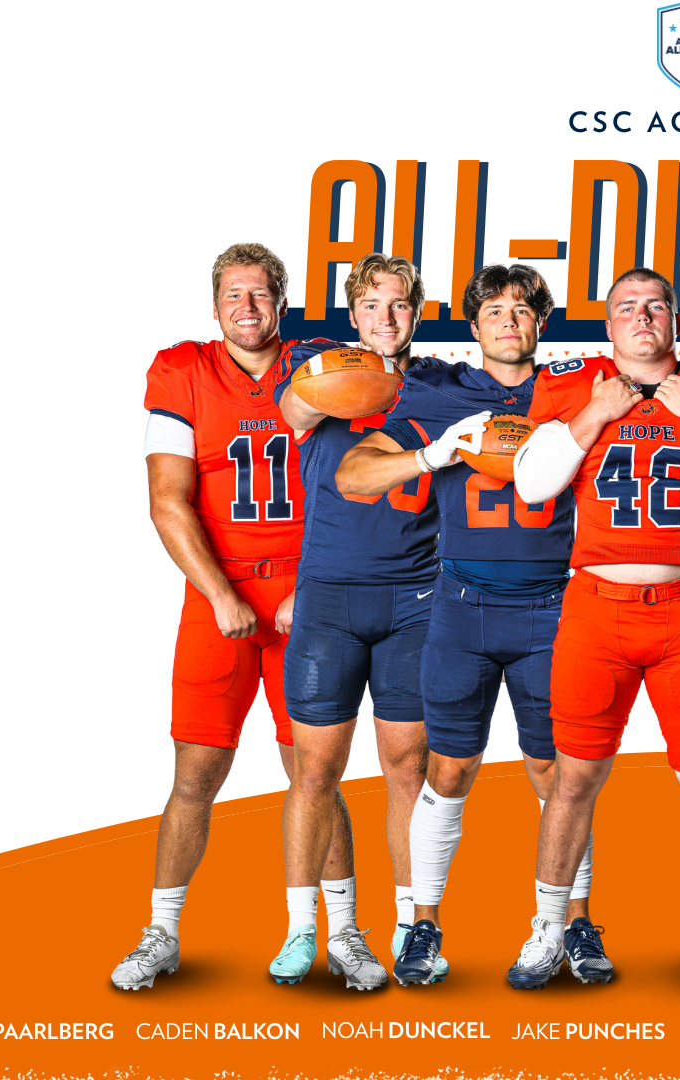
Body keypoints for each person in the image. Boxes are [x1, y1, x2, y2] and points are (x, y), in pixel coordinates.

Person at [335, 264, 602, 986]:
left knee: (558, 774)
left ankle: (571, 922)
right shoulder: (437, 390)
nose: (509, 320)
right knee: (448, 770)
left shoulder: (576, 389)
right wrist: (430, 453)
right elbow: (355, 474)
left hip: (554, 603)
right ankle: (422, 925)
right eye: (494, 310)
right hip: (461, 605)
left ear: (542, 324)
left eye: (523, 309)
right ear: (472, 326)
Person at [507, 268, 680, 988]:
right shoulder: (576, 388)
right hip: (597, 609)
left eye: (656, 305)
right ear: (607, 325)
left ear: (675, 320)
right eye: (627, 306)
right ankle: (548, 929)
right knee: (573, 780)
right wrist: (594, 413)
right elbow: (532, 485)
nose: (642, 316)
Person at [112, 242, 317, 990]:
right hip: (219, 597)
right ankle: (161, 931)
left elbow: (357, 490)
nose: (247, 307)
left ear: (282, 304)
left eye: (261, 294)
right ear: (214, 306)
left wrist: (322, 586)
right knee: (196, 773)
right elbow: (167, 498)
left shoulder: (319, 367)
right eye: (233, 295)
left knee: (314, 772)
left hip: (305, 598)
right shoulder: (181, 371)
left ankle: (342, 930)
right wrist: (223, 595)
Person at [264, 254, 446, 989]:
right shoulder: (320, 368)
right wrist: (355, 376)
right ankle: (312, 927)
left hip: (416, 599)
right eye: (371, 304)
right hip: (331, 596)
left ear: (418, 311)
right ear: (353, 311)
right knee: (314, 771)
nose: (386, 317)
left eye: (399, 305)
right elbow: (295, 413)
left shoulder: (439, 385)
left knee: (409, 769)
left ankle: (411, 927)